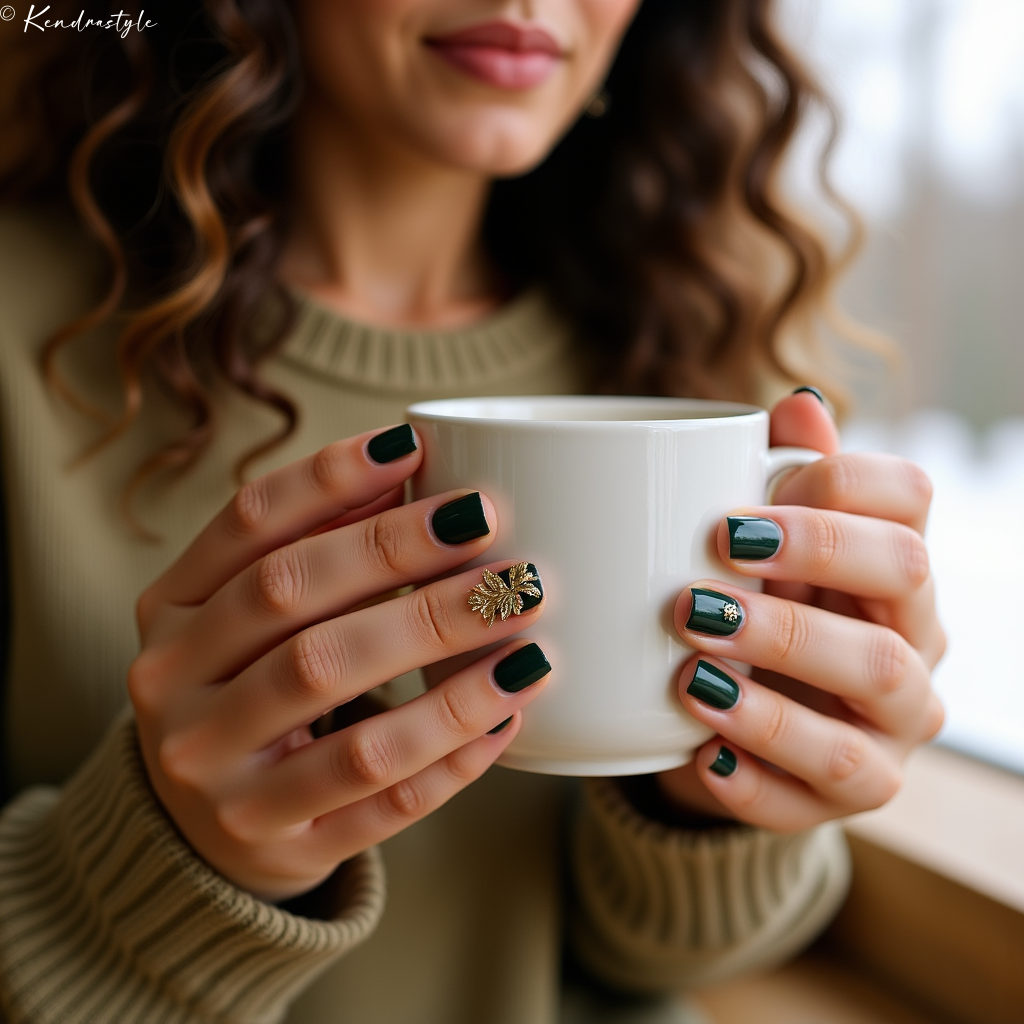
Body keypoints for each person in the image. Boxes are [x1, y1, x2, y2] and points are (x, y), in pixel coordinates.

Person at [0, 1, 946, 1021]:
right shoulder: (25, 329)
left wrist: (724, 787)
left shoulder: (691, 335)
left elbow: (644, 956)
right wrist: (170, 869)